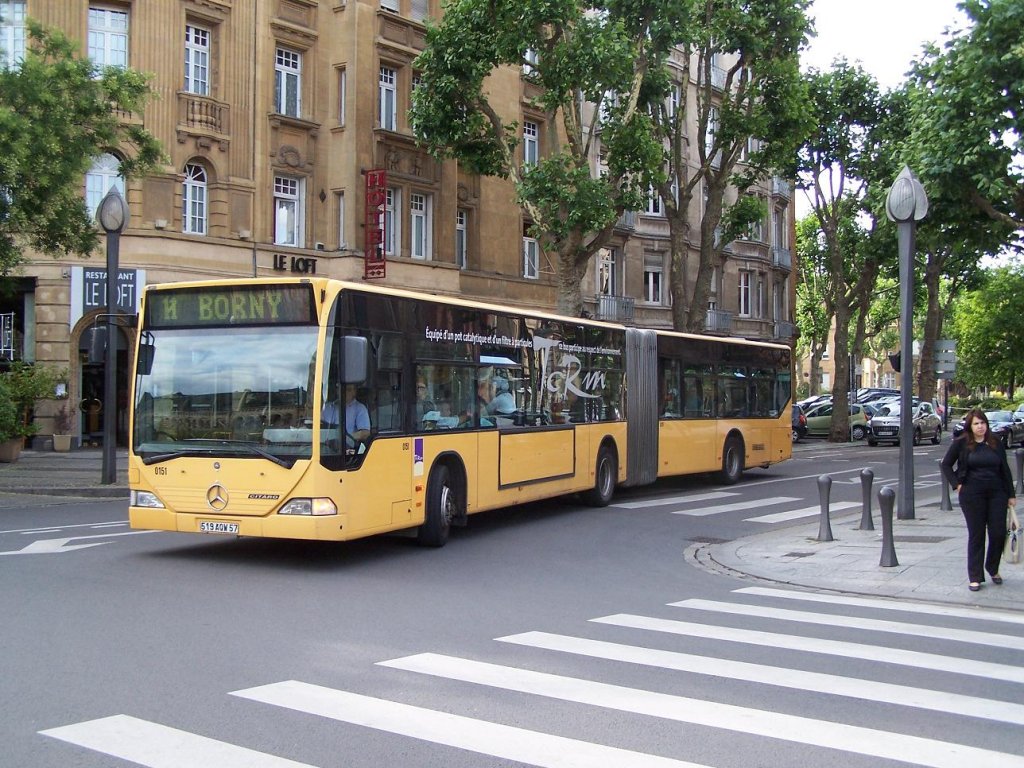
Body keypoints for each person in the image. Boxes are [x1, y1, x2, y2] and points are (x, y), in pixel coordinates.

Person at [940, 408, 1017, 591]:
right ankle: (975, 576)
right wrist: (957, 484)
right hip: (972, 494)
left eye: (982, 423)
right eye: (976, 424)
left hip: (997, 492)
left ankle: (992, 567)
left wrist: (1011, 494)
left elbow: (1004, 469)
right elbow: (946, 465)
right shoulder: (961, 443)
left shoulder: (995, 442)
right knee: (977, 534)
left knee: (998, 532)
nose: (980, 427)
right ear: (970, 426)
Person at [322, 383, 371, 449]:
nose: (344, 392)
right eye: (341, 389)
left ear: (354, 392)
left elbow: (365, 433)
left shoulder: (360, 408)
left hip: (346, 450)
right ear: (337, 390)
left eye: (349, 390)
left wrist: (345, 438)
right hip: (324, 447)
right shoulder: (327, 407)